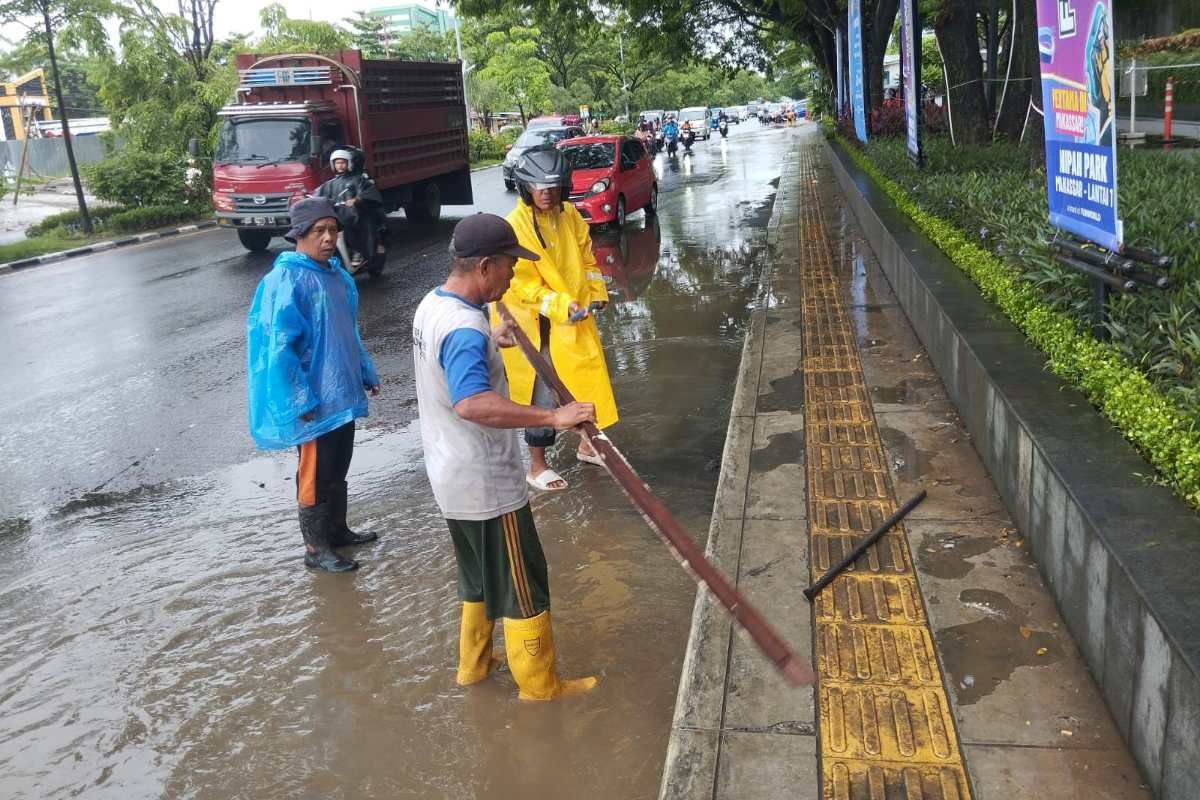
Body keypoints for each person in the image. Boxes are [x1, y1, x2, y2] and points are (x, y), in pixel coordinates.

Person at [412, 213, 599, 700]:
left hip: (449, 476)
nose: (514, 276)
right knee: (523, 583)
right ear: (485, 266)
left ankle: (473, 668)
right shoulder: (464, 328)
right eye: (510, 266)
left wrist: (491, 345)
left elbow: (451, 363)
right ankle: (541, 689)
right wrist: (553, 418)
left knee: (477, 578)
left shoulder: (434, 306)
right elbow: (472, 402)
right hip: (486, 484)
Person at [246, 197, 381, 573]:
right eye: (318, 231)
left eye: (332, 230)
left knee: (338, 466)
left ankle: (337, 531)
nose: (327, 238)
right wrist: (298, 396)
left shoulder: (337, 275)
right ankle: (315, 548)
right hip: (313, 401)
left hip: (342, 395)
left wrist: (365, 370)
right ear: (299, 235)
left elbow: (347, 333)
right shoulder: (286, 280)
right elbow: (279, 347)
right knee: (315, 473)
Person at [495, 147, 619, 492]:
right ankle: (536, 466)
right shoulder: (515, 226)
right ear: (524, 187)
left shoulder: (571, 217)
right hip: (535, 328)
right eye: (538, 186)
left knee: (585, 382)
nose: (546, 193)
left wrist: (597, 294)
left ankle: (587, 444)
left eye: (552, 186)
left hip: (572, 320)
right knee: (541, 395)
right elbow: (523, 286)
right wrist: (562, 305)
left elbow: (588, 261)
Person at [315, 148, 385, 269]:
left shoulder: (359, 179)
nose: (340, 165)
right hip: (337, 215)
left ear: (349, 163)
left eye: (343, 162)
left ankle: (358, 251)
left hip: (357, 215)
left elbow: (368, 192)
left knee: (349, 226)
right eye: (337, 163)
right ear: (333, 164)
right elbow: (318, 194)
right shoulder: (330, 183)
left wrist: (356, 200)